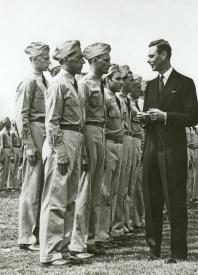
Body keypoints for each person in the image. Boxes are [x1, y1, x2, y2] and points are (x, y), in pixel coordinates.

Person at [138, 39, 198, 263]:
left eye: (152, 56)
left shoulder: (185, 83)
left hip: (173, 150)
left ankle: (178, 252)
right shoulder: (150, 86)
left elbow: (193, 116)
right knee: (151, 200)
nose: (149, 60)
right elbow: (147, 116)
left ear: (163, 55)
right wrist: (144, 119)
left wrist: (166, 117)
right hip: (152, 148)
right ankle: (153, 250)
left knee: (175, 201)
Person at [40, 40, 85, 266]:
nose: (82, 60)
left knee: (70, 199)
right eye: (78, 57)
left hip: (75, 138)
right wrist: (60, 150)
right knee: (56, 199)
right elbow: (52, 121)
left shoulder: (73, 83)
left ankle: (63, 248)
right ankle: (50, 251)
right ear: (66, 59)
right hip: (62, 140)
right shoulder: (58, 84)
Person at [69, 42, 112, 258]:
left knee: (95, 191)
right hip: (90, 133)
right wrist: (84, 149)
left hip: (101, 133)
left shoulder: (101, 83)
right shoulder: (85, 83)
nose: (109, 63)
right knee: (84, 191)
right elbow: (81, 117)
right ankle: (77, 243)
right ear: (94, 61)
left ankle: (91, 238)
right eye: (105, 60)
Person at [16, 42, 50, 251]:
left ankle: (37, 233)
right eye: (45, 58)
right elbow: (22, 115)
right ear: (35, 59)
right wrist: (28, 145)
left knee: (43, 185)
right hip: (35, 131)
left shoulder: (45, 81)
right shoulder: (28, 82)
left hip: (45, 131)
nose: (49, 61)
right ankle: (26, 236)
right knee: (31, 186)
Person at [102, 64, 126, 242]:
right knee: (104, 191)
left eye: (122, 78)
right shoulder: (104, 97)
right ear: (107, 79)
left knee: (115, 191)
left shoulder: (117, 99)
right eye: (118, 78)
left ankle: (110, 230)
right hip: (108, 144)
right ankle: (101, 234)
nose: (122, 82)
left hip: (119, 144)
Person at [112, 65, 134, 237]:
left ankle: (123, 222)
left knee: (126, 184)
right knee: (113, 188)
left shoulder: (126, 101)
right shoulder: (114, 98)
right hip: (117, 140)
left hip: (126, 140)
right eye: (129, 80)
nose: (132, 83)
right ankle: (114, 226)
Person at [127, 74, 144, 229]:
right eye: (136, 86)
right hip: (129, 141)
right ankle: (130, 220)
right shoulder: (128, 103)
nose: (138, 89)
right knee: (129, 184)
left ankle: (135, 218)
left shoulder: (137, 103)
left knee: (136, 185)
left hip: (138, 142)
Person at [8, 120, 21, 190]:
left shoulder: (17, 132)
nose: (15, 125)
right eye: (15, 124)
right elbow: (10, 144)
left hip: (18, 149)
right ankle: (10, 185)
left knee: (16, 168)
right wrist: (12, 154)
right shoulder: (11, 132)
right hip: (14, 149)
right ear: (13, 124)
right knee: (12, 169)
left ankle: (15, 185)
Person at [0, 117, 13, 191]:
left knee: (7, 169)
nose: (10, 123)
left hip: (8, 150)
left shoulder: (8, 132)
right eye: (8, 122)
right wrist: (1, 156)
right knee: (3, 169)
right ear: (5, 123)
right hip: (4, 150)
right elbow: (1, 145)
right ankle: (0, 186)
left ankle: (4, 185)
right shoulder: (2, 133)